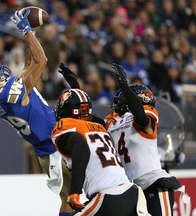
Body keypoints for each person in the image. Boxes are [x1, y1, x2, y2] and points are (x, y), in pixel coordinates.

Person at [0, 9, 72, 216]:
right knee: (72, 199)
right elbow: (41, 61)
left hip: (51, 146)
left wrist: (30, 32)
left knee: (71, 197)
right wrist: (26, 30)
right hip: (54, 148)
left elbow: (29, 63)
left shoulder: (2, 98)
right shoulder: (9, 94)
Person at [51, 88, 150, 216]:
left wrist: (75, 191)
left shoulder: (65, 124)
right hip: (132, 193)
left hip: (108, 196)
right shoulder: (100, 127)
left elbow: (81, 146)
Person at [105, 63, 181, 216]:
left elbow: (140, 116)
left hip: (154, 183)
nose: (118, 101)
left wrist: (125, 86)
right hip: (132, 190)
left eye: (124, 96)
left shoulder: (142, 116)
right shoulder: (113, 122)